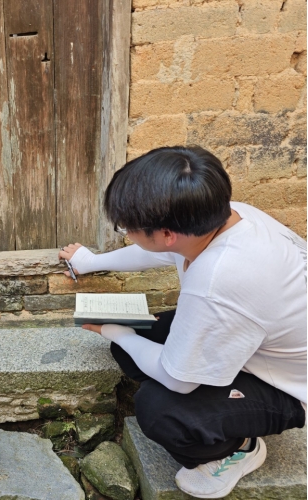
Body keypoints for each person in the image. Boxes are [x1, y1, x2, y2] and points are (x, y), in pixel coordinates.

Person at [59, 146, 306, 499]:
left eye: (127, 227)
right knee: (137, 340)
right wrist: (91, 262)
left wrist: (117, 332)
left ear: (167, 234)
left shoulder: (217, 282)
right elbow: (150, 252)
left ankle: (239, 448)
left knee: (160, 410)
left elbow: (178, 380)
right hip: (256, 342)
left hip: (288, 386)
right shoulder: (223, 217)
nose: (126, 232)